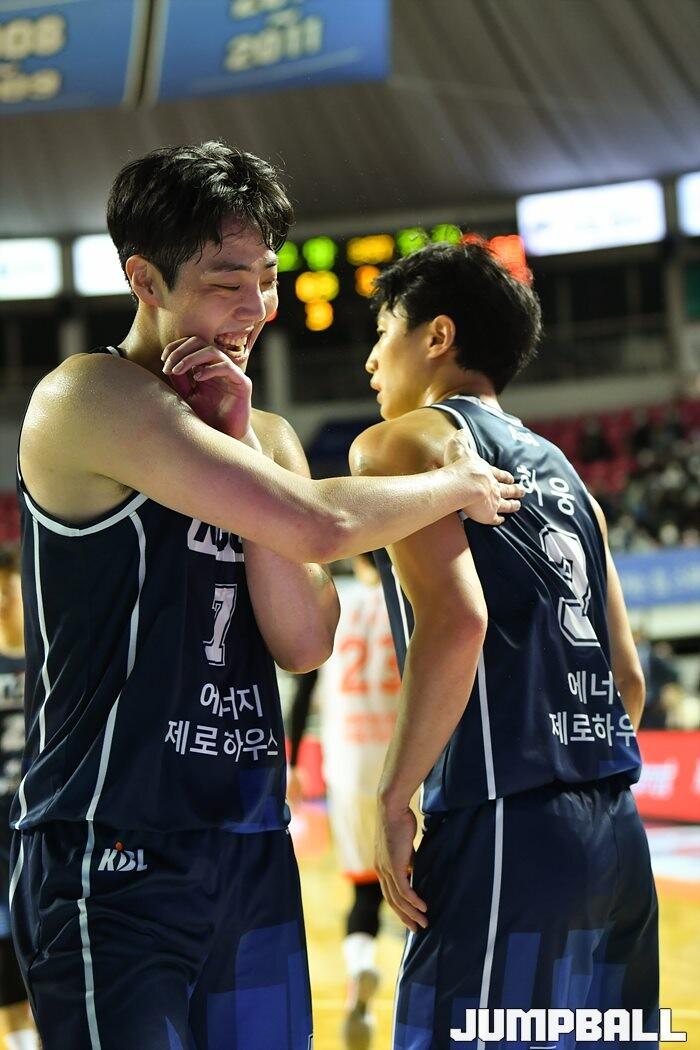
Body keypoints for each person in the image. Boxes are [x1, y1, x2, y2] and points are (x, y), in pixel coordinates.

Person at [10, 143, 523, 1050]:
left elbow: (303, 640)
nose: (256, 308)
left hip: (251, 845)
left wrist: (244, 438)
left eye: (268, 279)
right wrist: (456, 484)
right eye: (227, 283)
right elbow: (319, 525)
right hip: (111, 849)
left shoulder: (271, 435)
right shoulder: (86, 397)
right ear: (145, 280)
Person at [350, 241, 658, 1049]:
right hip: (617, 836)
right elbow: (628, 681)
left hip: (505, 827)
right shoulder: (573, 481)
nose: (372, 360)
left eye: (383, 332)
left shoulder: (398, 444)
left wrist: (392, 796)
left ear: (437, 336)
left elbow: (458, 622)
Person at [288, 553, 403, 1050]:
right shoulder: (412, 593)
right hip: (407, 763)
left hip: (349, 764)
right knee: (425, 887)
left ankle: (360, 969)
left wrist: (293, 762)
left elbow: (303, 683)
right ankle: (422, 995)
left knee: (364, 890)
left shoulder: (336, 600)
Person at [0, 546, 37, 1050]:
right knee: (5, 943)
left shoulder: (48, 656)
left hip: (39, 819)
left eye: (10, 589)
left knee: (47, 937)